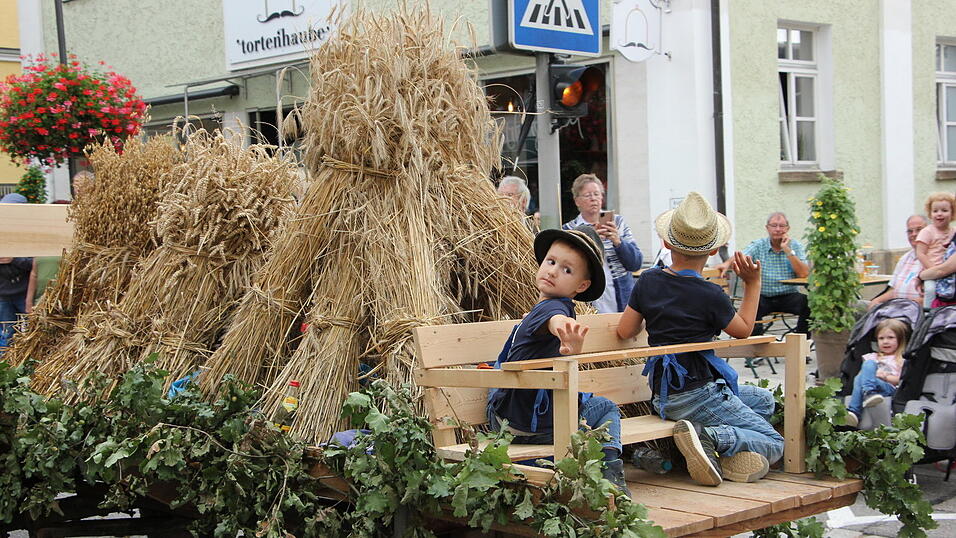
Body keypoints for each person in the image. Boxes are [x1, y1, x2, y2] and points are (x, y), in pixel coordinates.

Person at [617, 192, 782, 487]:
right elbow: (743, 330)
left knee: (765, 401)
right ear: (715, 248)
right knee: (773, 442)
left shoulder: (649, 281)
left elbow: (625, 331)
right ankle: (708, 437)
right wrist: (753, 283)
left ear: (666, 243)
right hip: (699, 393)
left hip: (663, 397)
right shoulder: (711, 295)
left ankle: (716, 454)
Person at [487, 225, 630, 497]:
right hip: (532, 424)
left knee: (585, 401)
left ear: (582, 286)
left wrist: (566, 335)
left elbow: (556, 321)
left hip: (506, 420)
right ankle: (612, 472)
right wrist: (566, 332)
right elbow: (556, 321)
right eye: (550, 262)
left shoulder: (550, 309)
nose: (553, 271)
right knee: (606, 407)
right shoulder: (554, 309)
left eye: (566, 269)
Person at [717, 212, 810, 336]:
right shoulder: (759, 245)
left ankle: (801, 343)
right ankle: (756, 349)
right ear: (767, 228)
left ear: (788, 228)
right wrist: (727, 263)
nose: (778, 229)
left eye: (782, 226)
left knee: (809, 303)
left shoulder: (796, 246)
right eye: (774, 225)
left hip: (788, 296)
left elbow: (804, 273)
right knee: (752, 307)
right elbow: (742, 255)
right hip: (763, 296)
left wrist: (787, 250)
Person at [563, 174, 642, 313]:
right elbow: (567, 268)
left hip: (620, 298)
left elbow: (635, 263)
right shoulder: (569, 229)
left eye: (597, 194)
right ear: (577, 201)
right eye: (587, 195)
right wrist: (590, 240)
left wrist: (618, 241)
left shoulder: (617, 223)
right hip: (587, 298)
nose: (593, 199)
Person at [844, 319, 908, 428]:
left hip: (889, 388)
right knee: (865, 368)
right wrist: (871, 374)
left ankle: (854, 409)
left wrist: (886, 377)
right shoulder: (872, 356)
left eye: (890, 338)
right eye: (881, 338)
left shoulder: (900, 359)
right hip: (870, 385)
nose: (885, 341)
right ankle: (864, 400)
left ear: (900, 340)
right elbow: (861, 377)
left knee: (863, 375)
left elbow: (900, 380)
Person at [869, 215, 927, 308]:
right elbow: (894, 290)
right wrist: (876, 300)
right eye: (910, 231)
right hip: (897, 307)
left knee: (889, 322)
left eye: (919, 230)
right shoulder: (905, 258)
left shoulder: (934, 258)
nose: (914, 234)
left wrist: (906, 304)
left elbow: (935, 298)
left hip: (917, 312)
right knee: (856, 305)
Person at [0, 193, 33, 349]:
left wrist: (15, 259)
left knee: (31, 333)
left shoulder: (29, 234)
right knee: (7, 335)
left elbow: (35, 264)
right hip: (3, 295)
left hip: (23, 293)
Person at [915, 192, 955, 308]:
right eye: (935, 211)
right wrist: (932, 269)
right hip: (931, 270)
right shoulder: (927, 232)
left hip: (948, 272)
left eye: (944, 210)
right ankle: (928, 313)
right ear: (930, 213)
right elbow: (920, 253)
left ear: (952, 213)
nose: (939, 214)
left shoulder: (953, 231)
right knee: (930, 290)